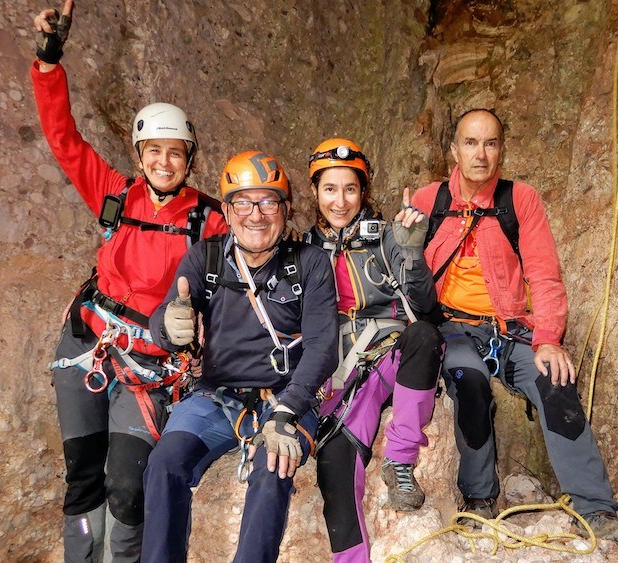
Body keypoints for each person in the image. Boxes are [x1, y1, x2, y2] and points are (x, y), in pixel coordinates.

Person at [30, 1, 228, 560]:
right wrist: (49, 60)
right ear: (140, 155)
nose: (165, 162)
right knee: (83, 477)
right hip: (87, 343)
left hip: (151, 364)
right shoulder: (116, 196)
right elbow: (64, 139)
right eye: (154, 151)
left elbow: (246, 268)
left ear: (189, 158)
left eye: (176, 153)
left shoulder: (207, 219)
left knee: (126, 486)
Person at [410, 109, 618, 546]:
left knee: (555, 380)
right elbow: (403, 272)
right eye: (471, 143)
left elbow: (544, 273)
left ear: (502, 150)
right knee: (469, 381)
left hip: (510, 328)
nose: (481, 154)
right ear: (454, 150)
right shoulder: (429, 200)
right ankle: (478, 500)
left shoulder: (520, 200)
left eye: (491, 143)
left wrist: (549, 339)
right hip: (453, 328)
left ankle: (594, 508)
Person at [141, 151, 339, 562]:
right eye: (244, 202)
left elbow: (322, 347)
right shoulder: (206, 258)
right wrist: (169, 324)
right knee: (164, 464)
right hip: (214, 397)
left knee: (274, 469)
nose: (256, 215)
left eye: (268, 202)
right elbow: (166, 316)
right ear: (227, 210)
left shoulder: (309, 264)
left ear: (285, 210)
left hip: (284, 398)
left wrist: (288, 412)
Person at [303, 139, 444, 562]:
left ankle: (400, 462)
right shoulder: (302, 251)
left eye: (350, 189)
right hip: (341, 375)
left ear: (364, 191)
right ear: (315, 192)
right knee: (334, 464)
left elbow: (425, 307)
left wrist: (413, 252)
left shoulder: (387, 236)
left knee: (424, 336)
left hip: (390, 354)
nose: (340, 200)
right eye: (330, 189)